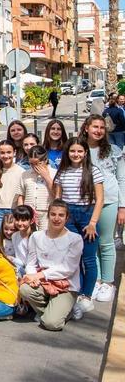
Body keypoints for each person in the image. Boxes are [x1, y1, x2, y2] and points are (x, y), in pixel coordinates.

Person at [53, 137, 104, 319]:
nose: (76, 154)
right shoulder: (62, 172)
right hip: (69, 215)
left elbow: (99, 199)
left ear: (85, 153)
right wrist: (59, 220)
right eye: (72, 151)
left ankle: (86, 295)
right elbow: (58, 199)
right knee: (73, 258)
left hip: (87, 214)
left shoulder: (93, 171)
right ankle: (75, 293)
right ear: (68, 153)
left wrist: (92, 222)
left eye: (79, 151)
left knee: (88, 258)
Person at [19, 200, 84, 331]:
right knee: (25, 289)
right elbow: (31, 262)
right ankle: (52, 311)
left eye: (61, 215)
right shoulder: (36, 236)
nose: (56, 218)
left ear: (67, 217)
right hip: (43, 282)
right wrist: (32, 277)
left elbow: (68, 269)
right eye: (53, 214)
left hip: (65, 285)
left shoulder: (75, 239)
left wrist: (40, 275)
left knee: (51, 324)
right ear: (48, 215)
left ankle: (64, 310)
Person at [81, 114, 125, 303]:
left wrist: (122, 206)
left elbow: (122, 178)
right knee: (91, 242)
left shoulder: (113, 150)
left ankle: (108, 282)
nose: (98, 130)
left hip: (109, 200)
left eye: (101, 127)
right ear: (86, 129)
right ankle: (96, 279)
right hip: (85, 202)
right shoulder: (78, 149)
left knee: (106, 242)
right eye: (95, 127)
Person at [0, 141, 24, 232]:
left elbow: (22, 195)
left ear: (14, 152)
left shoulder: (21, 172)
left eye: (9, 152)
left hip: (14, 210)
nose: (6, 156)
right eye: (2, 153)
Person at [16, 146, 55, 231]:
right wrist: (21, 213)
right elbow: (21, 195)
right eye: (31, 164)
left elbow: (57, 194)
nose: (34, 166)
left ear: (45, 160)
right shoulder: (25, 174)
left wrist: (47, 177)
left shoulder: (54, 173)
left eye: (38, 163)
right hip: (29, 213)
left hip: (46, 213)